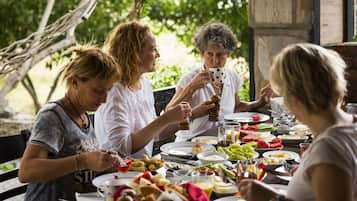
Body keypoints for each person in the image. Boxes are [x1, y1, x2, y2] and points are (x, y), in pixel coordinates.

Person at [238, 43, 357, 201]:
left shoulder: (327, 150)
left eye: (283, 93)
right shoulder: (350, 126)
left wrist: (273, 198)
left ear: (296, 98)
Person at [18, 46, 121, 201]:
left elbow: (81, 170)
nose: (105, 99)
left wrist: (104, 163)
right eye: (97, 91)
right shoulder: (52, 116)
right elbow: (26, 171)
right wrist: (83, 161)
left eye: (108, 90)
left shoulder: (83, 114)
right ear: (74, 82)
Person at [95, 21, 196, 158]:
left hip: (141, 169)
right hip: (116, 174)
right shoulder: (114, 91)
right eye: (153, 49)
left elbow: (155, 133)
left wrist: (182, 118)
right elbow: (123, 147)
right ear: (134, 53)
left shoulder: (144, 84)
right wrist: (165, 119)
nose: (158, 54)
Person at [166, 22, 272, 134]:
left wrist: (260, 102)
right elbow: (169, 112)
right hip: (191, 143)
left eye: (220, 54)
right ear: (202, 54)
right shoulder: (190, 79)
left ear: (228, 54)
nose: (215, 61)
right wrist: (191, 88)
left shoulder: (232, 77)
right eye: (210, 54)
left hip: (222, 140)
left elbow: (237, 107)